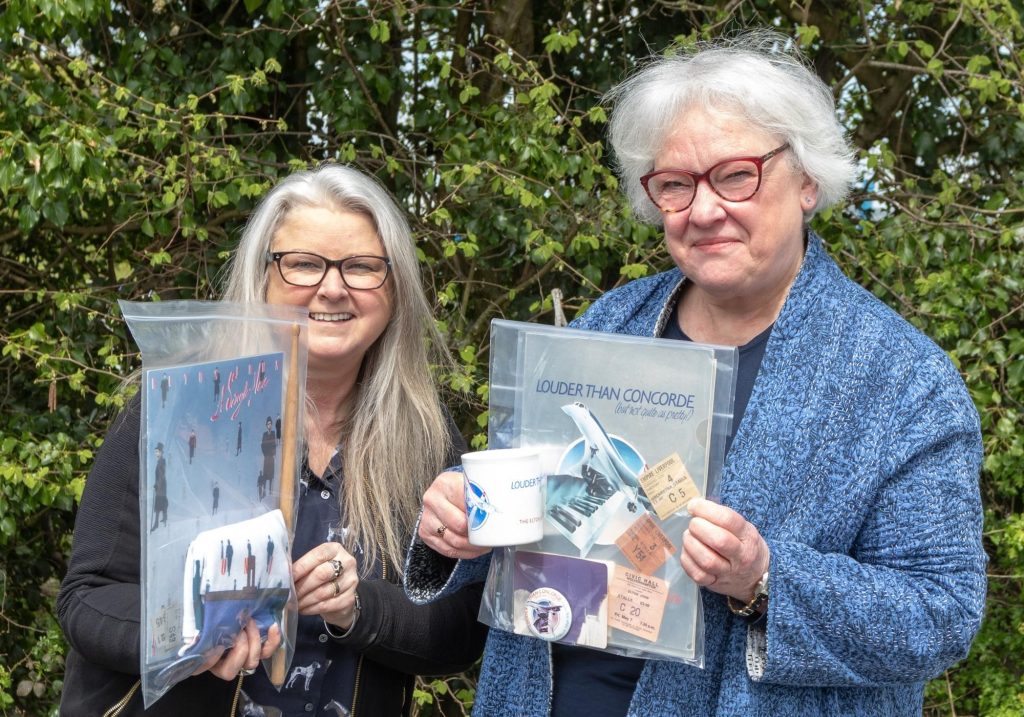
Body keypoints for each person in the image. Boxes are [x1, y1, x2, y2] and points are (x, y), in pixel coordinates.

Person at [405, 31, 986, 717]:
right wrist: (461, 524)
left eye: (735, 174)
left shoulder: (901, 379)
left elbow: (942, 612)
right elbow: (533, 515)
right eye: (676, 185)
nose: (704, 210)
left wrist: (768, 578)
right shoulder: (605, 324)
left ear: (806, 180)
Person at [57, 164, 487, 715]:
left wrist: (359, 609)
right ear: (262, 277)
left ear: (395, 286)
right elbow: (86, 598)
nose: (333, 288)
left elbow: (457, 632)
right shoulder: (180, 406)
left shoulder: (424, 437)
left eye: (361, 267)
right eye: (304, 264)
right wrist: (193, 631)